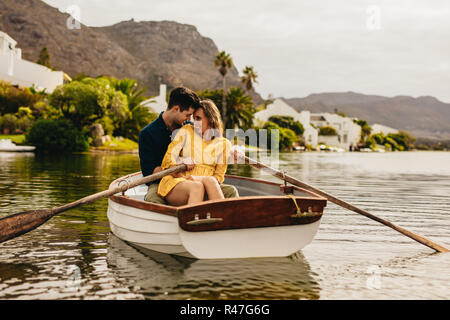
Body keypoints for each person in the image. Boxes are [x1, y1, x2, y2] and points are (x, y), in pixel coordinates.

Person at [138, 86, 238, 204]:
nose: (190, 120)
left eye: (195, 117)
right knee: (153, 199)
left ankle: (229, 219)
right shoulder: (148, 133)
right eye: (188, 115)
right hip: (162, 180)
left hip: (199, 180)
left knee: (230, 191)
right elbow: (149, 172)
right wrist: (178, 167)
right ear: (176, 109)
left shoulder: (189, 126)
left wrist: (230, 152)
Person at [157, 99, 232, 205]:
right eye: (194, 118)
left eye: (198, 118)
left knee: (210, 181)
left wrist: (198, 178)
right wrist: (181, 163)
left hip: (206, 185)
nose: (194, 122)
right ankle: (190, 219)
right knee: (197, 187)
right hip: (178, 182)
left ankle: (224, 219)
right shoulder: (186, 130)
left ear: (210, 119)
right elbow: (167, 161)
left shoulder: (225, 144)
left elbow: (219, 177)